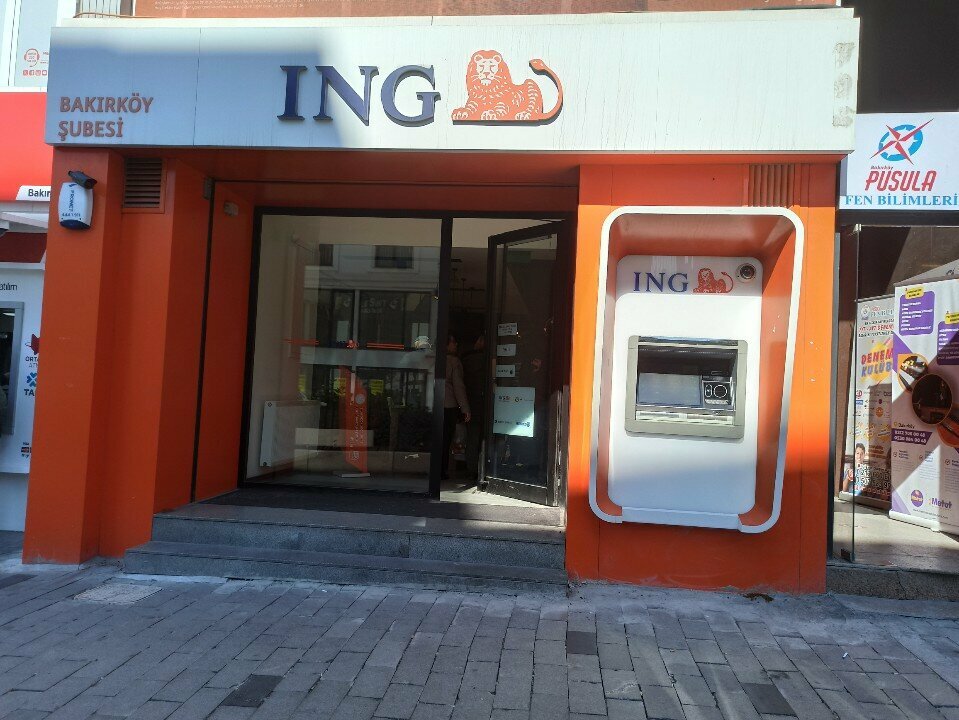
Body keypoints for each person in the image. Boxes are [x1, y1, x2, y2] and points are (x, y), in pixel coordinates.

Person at [443, 334, 471, 480]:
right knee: (446, 439)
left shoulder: (431, 358)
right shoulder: (453, 361)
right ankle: (442, 470)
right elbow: (459, 387)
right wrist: (465, 409)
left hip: (432, 404)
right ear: (446, 344)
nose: (456, 344)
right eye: (453, 342)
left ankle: (437, 469)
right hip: (448, 405)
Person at [461, 333, 487, 482]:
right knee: (486, 437)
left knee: (472, 437)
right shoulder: (489, 359)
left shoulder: (465, 361)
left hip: (470, 402)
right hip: (485, 403)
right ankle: (485, 469)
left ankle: (472, 469)